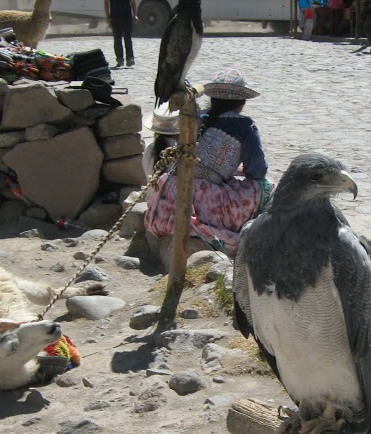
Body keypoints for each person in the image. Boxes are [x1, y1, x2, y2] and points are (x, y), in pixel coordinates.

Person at [144, 68, 273, 263]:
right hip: (200, 198)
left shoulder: (195, 118)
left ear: (212, 99)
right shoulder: (245, 127)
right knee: (264, 187)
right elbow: (257, 170)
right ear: (242, 102)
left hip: (169, 189)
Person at [104, 0, 137, 68]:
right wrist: (107, 16)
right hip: (115, 17)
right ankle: (120, 59)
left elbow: (133, 2)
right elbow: (106, 2)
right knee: (117, 39)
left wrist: (135, 15)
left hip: (127, 17)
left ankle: (130, 58)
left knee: (127, 38)